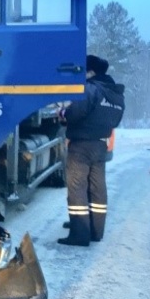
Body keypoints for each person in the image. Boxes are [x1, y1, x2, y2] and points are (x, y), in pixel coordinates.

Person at [57, 55, 125, 247]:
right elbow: (116, 121)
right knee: (97, 188)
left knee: (77, 187)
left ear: (92, 72)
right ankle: (96, 230)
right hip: (101, 145)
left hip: (81, 145)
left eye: (85, 71)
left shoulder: (91, 89)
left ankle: (79, 234)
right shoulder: (116, 95)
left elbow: (75, 113)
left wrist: (63, 113)